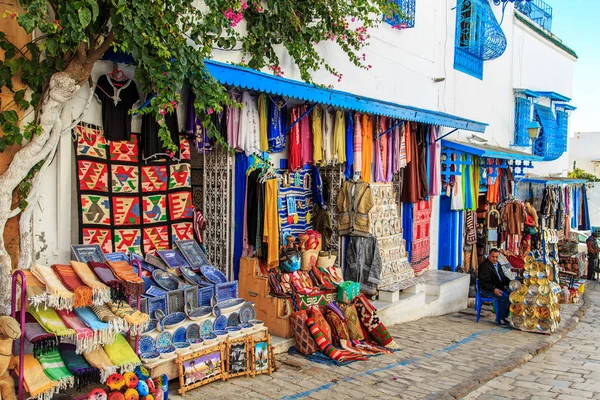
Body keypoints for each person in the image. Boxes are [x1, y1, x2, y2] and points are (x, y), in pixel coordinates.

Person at [478, 248, 511, 325]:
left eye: (496, 257)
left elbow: (503, 276)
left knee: (512, 296)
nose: (495, 259)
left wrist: (511, 283)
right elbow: (484, 283)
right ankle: (500, 319)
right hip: (488, 290)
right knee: (505, 298)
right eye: (493, 257)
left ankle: (504, 316)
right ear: (489, 256)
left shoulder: (498, 264)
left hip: (499, 287)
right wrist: (493, 289)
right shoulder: (484, 266)